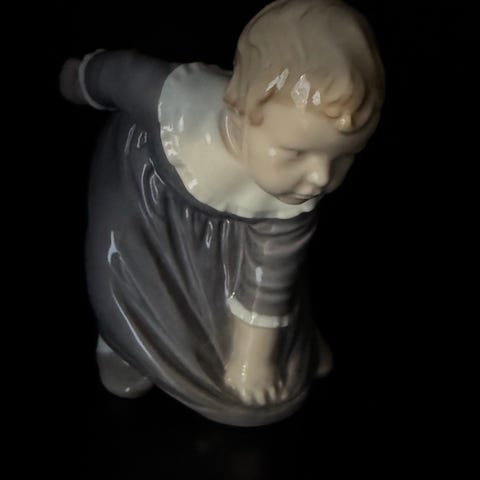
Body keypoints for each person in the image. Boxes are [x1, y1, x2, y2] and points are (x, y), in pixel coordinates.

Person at [59, 0, 384, 426]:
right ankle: (123, 343)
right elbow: (119, 75)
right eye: (295, 152)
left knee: (273, 301)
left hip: (232, 242)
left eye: (345, 156)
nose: (321, 176)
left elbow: (268, 277)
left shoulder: (293, 192)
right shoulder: (178, 105)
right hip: (145, 205)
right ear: (241, 108)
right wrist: (82, 78)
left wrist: (253, 358)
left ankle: (295, 346)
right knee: (125, 275)